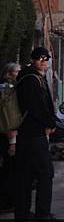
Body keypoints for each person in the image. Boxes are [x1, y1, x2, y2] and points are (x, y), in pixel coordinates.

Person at [14, 47, 64, 222]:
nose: (44, 61)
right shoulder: (32, 80)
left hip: (25, 133)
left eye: (46, 58)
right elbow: (37, 107)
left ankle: (21, 213)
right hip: (34, 133)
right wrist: (51, 125)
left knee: (26, 174)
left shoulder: (27, 77)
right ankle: (43, 215)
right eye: (40, 58)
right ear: (33, 60)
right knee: (45, 173)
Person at [0, 62, 20, 212]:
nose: (19, 74)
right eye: (17, 72)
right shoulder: (9, 90)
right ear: (8, 74)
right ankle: (8, 202)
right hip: (7, 136)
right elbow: (10, 118)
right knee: (10, 169)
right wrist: (13, 141)